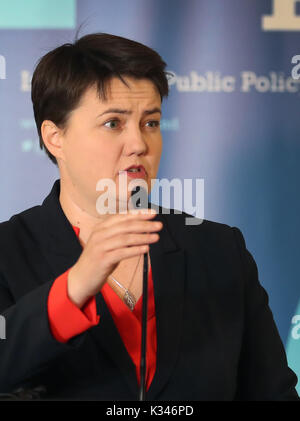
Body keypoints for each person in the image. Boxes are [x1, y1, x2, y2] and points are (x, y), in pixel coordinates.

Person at [0, 32, 298, 401]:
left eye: (151, 123)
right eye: (113, 123)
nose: (140, 143)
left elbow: (273, 394)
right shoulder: (7, 252)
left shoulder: (219, 250)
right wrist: (75, 286)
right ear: (54, 137)